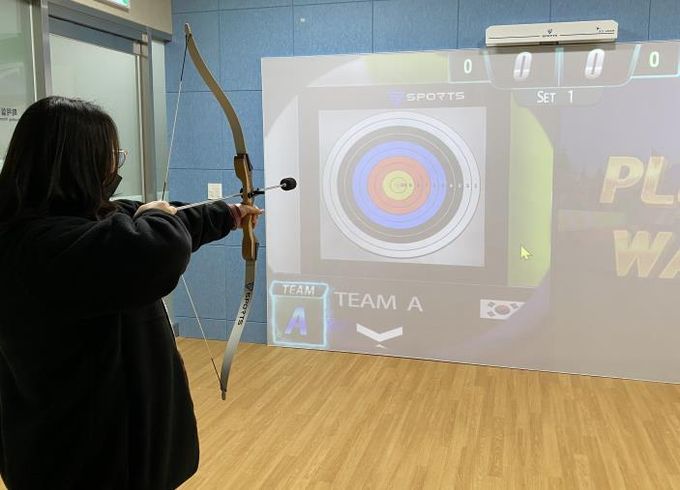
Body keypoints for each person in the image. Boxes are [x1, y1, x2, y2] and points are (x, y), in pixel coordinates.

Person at [0, 96, 262, 489]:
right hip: (86, 459)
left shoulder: (48, 228)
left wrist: (225, 215)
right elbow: (155, 245)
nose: (114, 167)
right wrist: (154, 215)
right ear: (79, 163)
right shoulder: (43, 247)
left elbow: (138, 220)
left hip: (80, 448)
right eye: (110, 156)